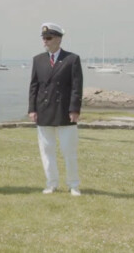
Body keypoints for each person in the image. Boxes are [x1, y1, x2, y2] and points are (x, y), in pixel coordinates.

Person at [28, 22, 83, 196]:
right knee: (46, 150)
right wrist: (32, 109)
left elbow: (76, 87)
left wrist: (74, 109)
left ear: (58, 39)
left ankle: (73, 185)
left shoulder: (72, 59)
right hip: (43, 110)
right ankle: (51, 183)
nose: (45, 41)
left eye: (49, 38)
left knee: (68, 150)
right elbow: (34, 86)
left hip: (64, 111)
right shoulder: (38, 60)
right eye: (43, 38)